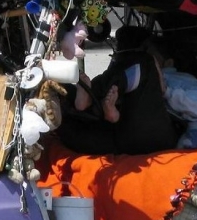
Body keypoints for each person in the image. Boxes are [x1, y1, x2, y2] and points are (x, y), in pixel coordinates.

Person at [56, 26, 179, 156]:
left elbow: (190, 105)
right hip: (116, 132)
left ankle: (94, 98)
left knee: (144, 63)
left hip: (153, 134)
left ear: (169, 62)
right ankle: (101, 107)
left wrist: (161, 82)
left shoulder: (181, 79)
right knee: (61, 89)